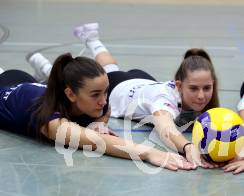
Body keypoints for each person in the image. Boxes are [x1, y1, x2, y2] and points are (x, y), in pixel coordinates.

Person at [0, 54, 193, 171]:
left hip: (29, 85)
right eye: (95, 94)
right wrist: (150, 153)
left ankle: (42, 66)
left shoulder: (94, 101)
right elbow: (98, 141)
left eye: (105, 91)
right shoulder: (51, 121)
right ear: (71, 94)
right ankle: (42, 65)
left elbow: (105, 109)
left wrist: (100, 122)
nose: (103, 100)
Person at [71, 23, 220, 168]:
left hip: (146, 82)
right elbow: (166, 129)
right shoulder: (164, 100)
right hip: (120, 88)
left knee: (112, 67)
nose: (201, 96)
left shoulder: (186, 93)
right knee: (110, 69)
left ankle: (92, 38)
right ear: (179, 85)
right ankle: (90, 40)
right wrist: (187, 147)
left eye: (207, 88)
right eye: (194, 88)